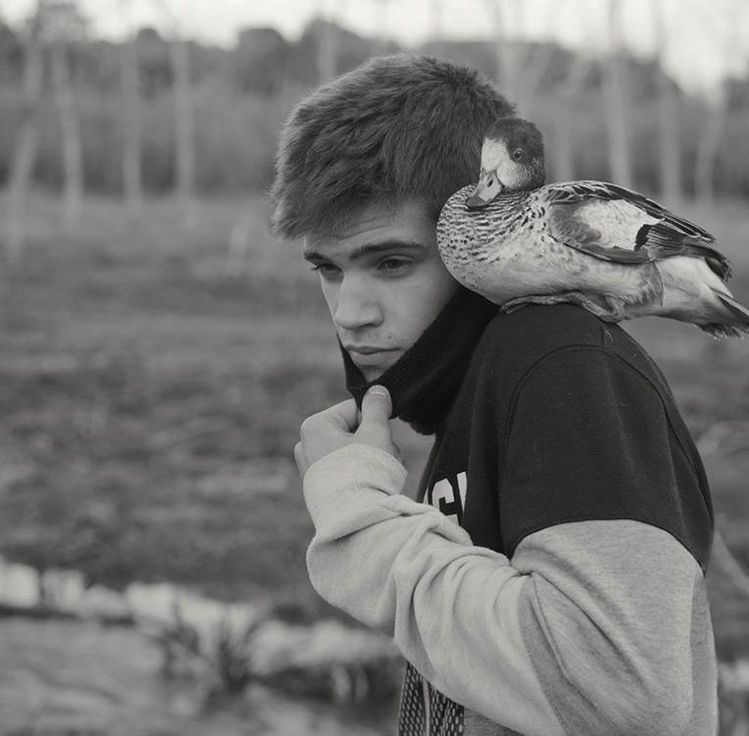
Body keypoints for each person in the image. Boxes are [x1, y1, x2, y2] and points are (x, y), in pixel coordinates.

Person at [272, 54, 718, 735]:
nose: (349, 313)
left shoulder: (557, 362)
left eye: (391, 263)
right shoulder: (485, 381)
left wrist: (361, 521)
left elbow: (624, 697)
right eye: (328, 270)